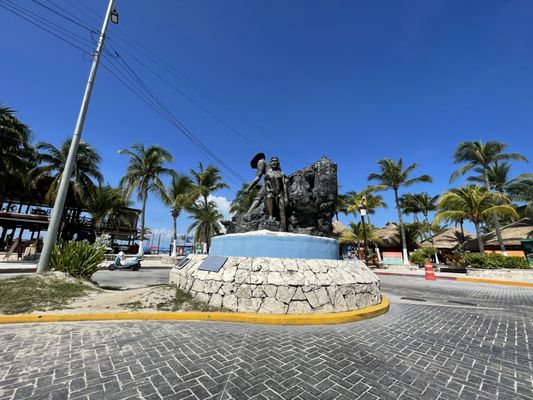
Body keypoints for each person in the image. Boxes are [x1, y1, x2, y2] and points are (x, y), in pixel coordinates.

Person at [264, 156, 289, 231]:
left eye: (275, 161)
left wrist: (286, 197)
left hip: (280, 194)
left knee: (282, 208)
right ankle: (270, 216)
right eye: (272, 161)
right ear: (270, 163)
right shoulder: (267, 174)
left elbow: (284, 186)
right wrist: (269, 191)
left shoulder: (281, 173)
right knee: (269, 197)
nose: (274, 162)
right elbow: (266, 186)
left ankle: (284, 227)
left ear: (278, 163)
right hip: (271, 193)